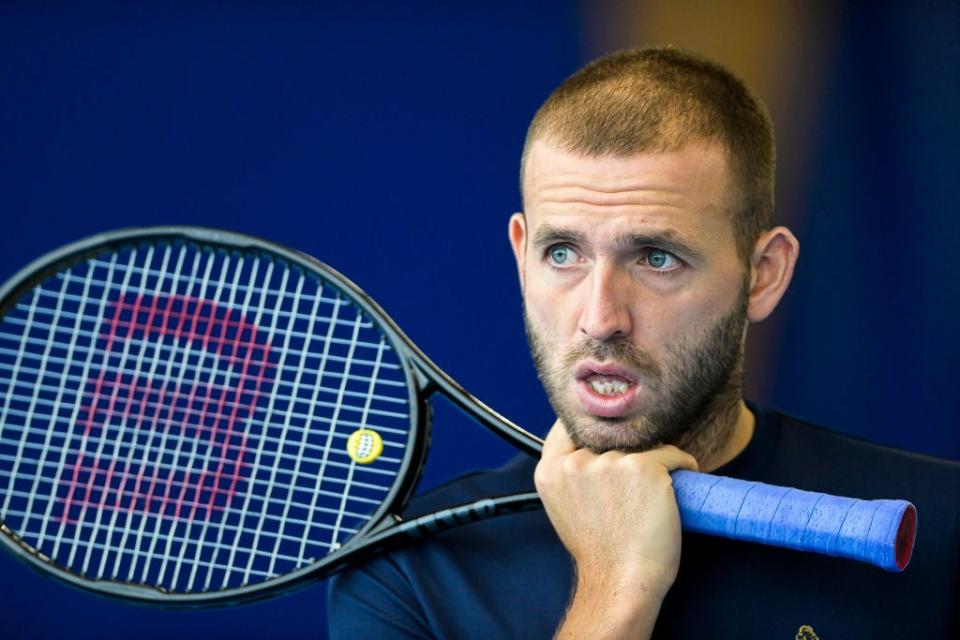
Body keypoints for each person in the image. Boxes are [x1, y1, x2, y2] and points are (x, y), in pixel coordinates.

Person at [328, 47, 960, 639]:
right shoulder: (408, 577)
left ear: (764, 274)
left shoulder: (945, 526)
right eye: (563, 253)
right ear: (522, 258)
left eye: (657, 258)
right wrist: (615, 593)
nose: (600, 318)